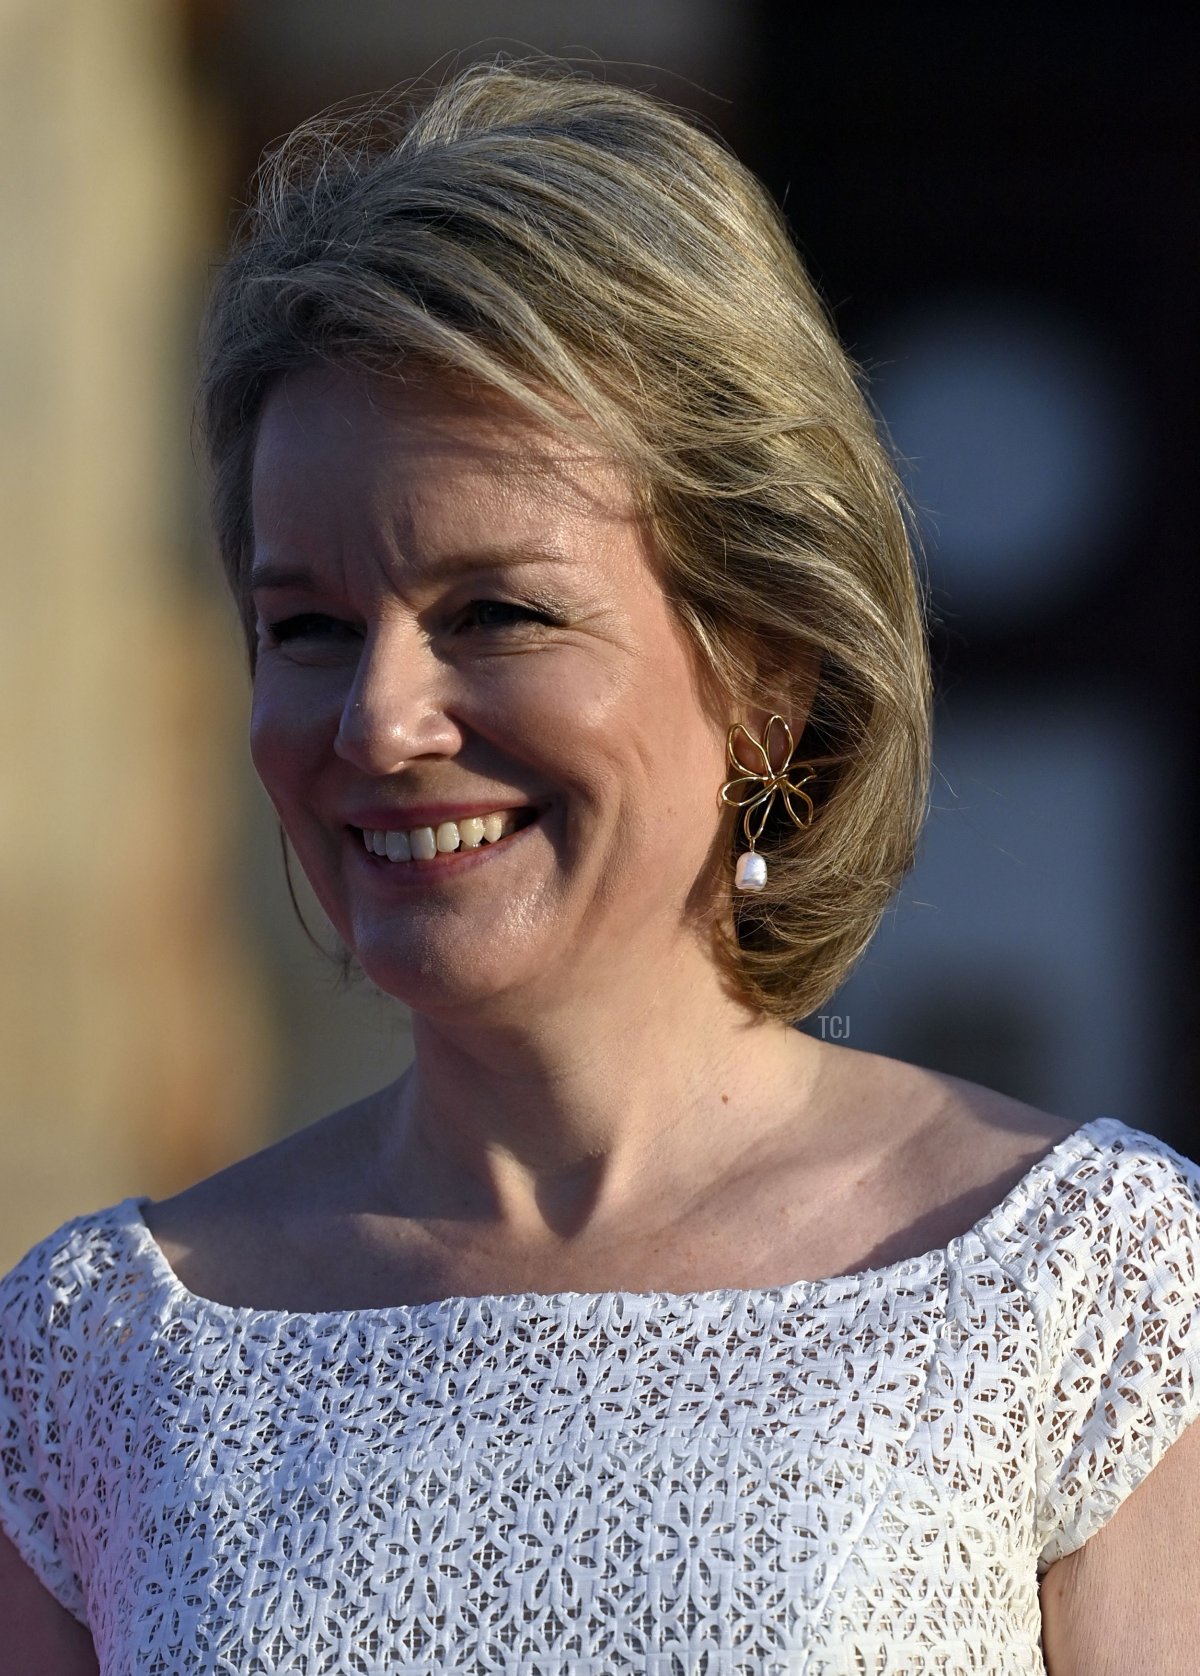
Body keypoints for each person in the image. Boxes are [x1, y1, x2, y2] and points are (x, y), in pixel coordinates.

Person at [1, 59, 1197, 1675]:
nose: (379, 716)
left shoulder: (1088, 1298)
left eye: (496, 611)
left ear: (766, 666)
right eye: (306, 628)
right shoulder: (102, 1361)